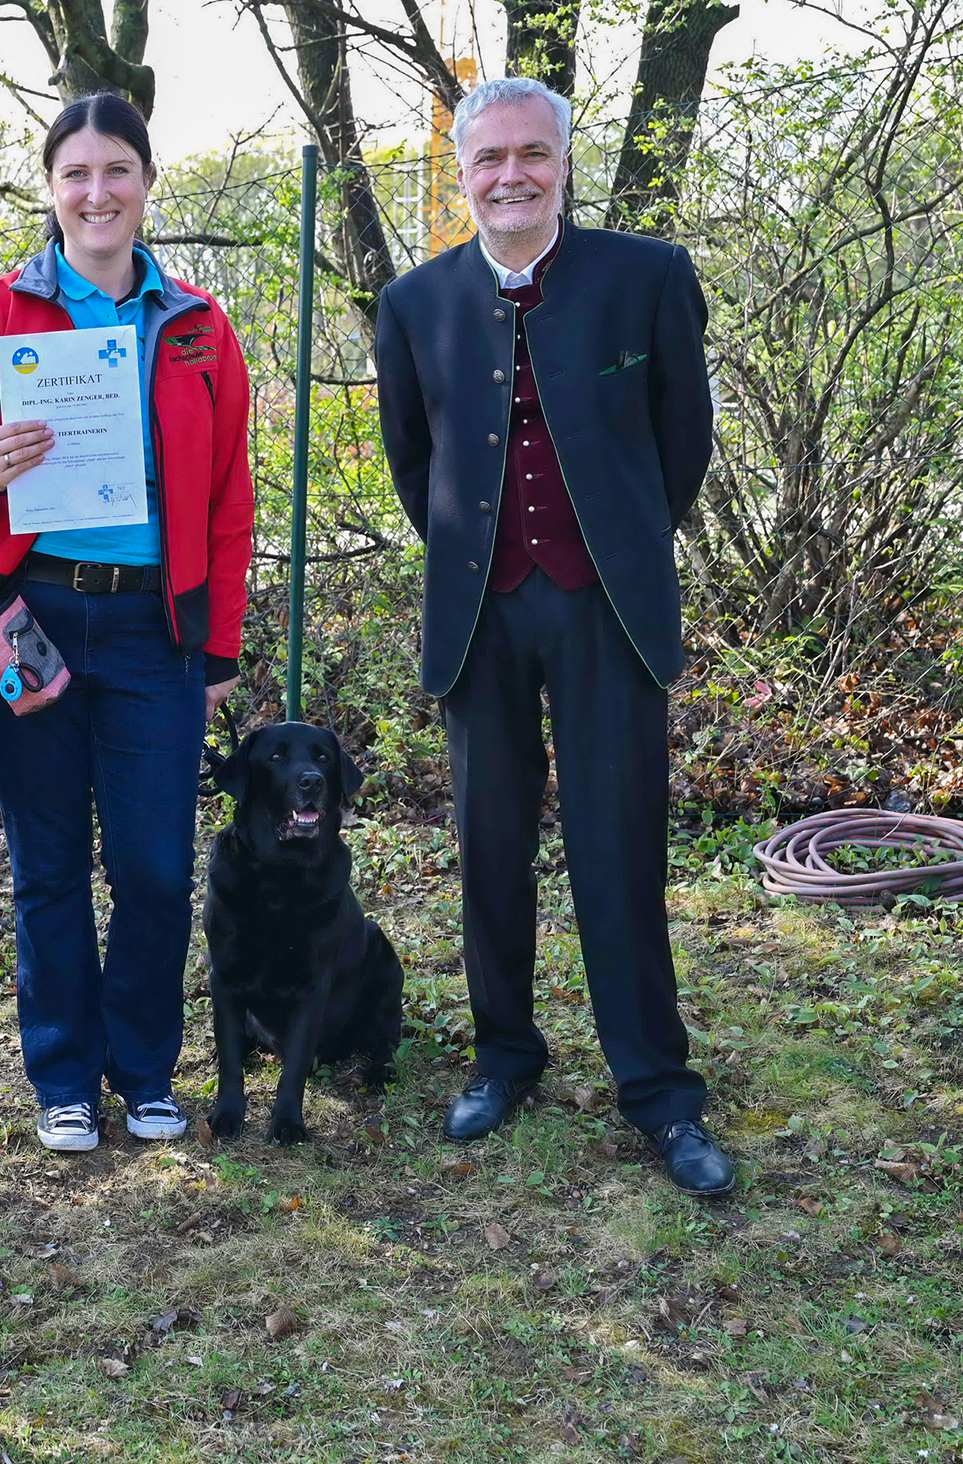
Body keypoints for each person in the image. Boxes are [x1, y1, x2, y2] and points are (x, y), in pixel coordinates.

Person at [372, 77, 735, 1196]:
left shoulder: (646, 276)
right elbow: (411, 464)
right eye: (488, 160)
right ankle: (504, 1055)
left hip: (603, 602)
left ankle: (658, 1092)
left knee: (618, 843)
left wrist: (616, 540)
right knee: (489, 843)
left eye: (532, 154)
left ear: (562, 164)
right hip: (479, 608)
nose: (511, 175)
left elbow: (683, 440)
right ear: (461, 173)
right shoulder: (412, 303)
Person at [0, 94, 255, 1155]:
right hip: (27, 618)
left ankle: (144, 1069)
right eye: (76, 174)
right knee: (50, 862)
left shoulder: (197, 325)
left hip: (155, 634)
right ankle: (63, 1076)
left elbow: (232, 499)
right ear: (50, 189)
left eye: (117, 171)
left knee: (154, 867)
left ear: (146, 184)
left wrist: (218, 648)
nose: (96, 193)